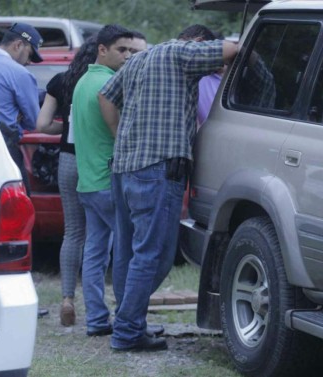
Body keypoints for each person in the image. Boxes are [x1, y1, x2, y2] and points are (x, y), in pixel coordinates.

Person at [99, 24, 239, 352]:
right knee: (155, 254)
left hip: (124, 168)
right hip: (159, 169)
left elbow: (104, 96)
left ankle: (128, 320)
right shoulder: (182, 52)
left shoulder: (138, 59)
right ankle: (128, 332)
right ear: (200, 44)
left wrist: (119, 134)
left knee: (128, 252)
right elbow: (232, 50)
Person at [71, 24, 147, 337]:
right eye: (122, 50)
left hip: (87, 182)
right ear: (102, 49)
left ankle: (96, 320)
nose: (128, 56)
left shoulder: (82, 81)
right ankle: (128, 320)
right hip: (107, 181)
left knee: (95, 254)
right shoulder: (110, 83)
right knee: (127, 253)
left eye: (131, 50)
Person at [36, 36, 98, 327]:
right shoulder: (105, 80)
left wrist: (68, 124)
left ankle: (66, 298)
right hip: (97, 161)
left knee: (73, 232)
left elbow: (43, 125)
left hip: (68, 160)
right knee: (101, 233)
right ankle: (96, 306)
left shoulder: (61, 81)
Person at [0, 23, 44, 195]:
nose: (29, 62)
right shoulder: (20, 73)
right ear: (18, 45)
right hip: (4, 149)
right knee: (18, 202)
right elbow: (34, 121)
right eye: (30, 55)